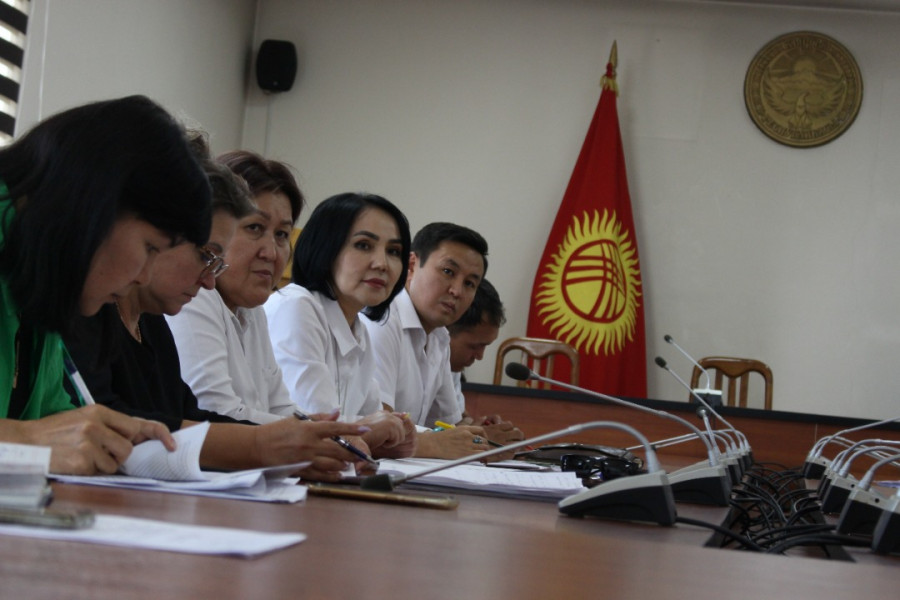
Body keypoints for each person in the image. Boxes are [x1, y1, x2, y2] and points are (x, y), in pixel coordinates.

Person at [64, 143, 366, 480]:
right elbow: (106, 422)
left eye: (282, 234)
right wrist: (259, 447)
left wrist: (299, 439)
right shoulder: (89, 307)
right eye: (206, 256)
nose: (209, 280)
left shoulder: (153, 321)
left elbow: (187, 414)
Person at [0, 95, 211, 474]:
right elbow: (38, 435)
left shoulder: (44, 277)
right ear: (95, 205)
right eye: (150, 248)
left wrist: (109, 439)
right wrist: (27, 440)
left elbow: (53, 420)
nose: (144, 276)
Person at [168, 151, 404, 459]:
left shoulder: (252, 308)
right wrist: (331, 434)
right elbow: (215, 412)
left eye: (281, 234)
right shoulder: (197, 296)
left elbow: (281, 408)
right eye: (255, 228)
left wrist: (325, 434)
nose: (271, 252)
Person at [263, 192, 416, 458]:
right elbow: (317, 428)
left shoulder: (359, 329)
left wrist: (397, 431)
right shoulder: (296, 306)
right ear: (326, 248)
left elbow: (373, 421)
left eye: (393, 252)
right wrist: (374, 429)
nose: (382, 264)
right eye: (363, 245)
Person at [365, 222, 493, 459]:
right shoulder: (382, 320)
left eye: (469, 283)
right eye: (448, 272)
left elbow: (449, 426)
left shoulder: (439, 336)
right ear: (411, 266)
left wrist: (487, 440)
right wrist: (437, 444)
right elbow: (379, 432)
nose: (457, 291)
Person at [447, 278, 523, 444]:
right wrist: (477, 438)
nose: (480, 356)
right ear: (447, 329)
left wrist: (483, 427)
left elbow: (454, 420)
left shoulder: (451, 365)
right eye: (475, 346)